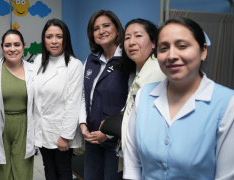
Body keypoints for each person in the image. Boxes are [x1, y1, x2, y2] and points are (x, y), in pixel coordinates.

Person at [123, 17, 234, 180]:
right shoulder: (144, 96)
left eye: (182, 46)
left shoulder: (226, 103)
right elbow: (132, 165)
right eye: (163, 48)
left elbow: (226, 176)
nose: (172, 55)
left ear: (203, 51)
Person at [108, 18, 166, 171]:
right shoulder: (137, 71)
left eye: (138, 36)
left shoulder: (156, 72)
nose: (131, 42)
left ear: (154, 43)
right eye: (127, 38)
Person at [79, 10, 127, 180]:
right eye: (96, 28)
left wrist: (108, 133)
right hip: (91, 136)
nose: (101, 31)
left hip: (116, 138)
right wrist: (83, 124)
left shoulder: (127, 60)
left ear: (117, 29)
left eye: (106, 25)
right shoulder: (91, 60)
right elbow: (84, 95)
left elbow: (132, 101)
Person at [34, 18, 83, 180]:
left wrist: (65, 136)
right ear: (43, 39)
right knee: (48, 167)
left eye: (59, 36)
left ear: (65, 39)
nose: (54, 41)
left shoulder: (74, 65)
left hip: (61, 131)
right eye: (49, 36)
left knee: (63, 170)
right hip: (42, 129)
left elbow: (73, 102)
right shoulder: (37, 61)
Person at [0, 29, 35, 180]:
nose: (12, 49)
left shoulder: (33, 71)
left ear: (23, 46)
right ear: (2, 48)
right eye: (8, 45)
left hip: (24, 125)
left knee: (23, 171)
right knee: (1, 172)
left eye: (16, 44)